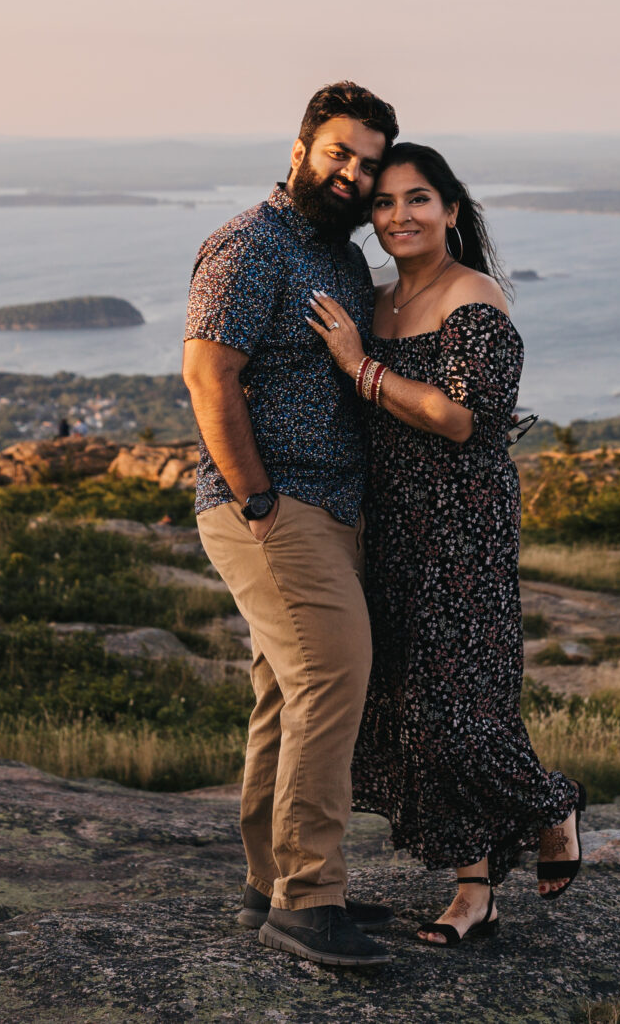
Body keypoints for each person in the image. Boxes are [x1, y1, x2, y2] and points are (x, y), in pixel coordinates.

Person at [306, 142, 585, 949]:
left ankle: (550, 801)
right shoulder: (379, 298)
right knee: (408, 710)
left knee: (460, 717)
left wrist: (358, 366)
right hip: (387, 525)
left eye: (418, 199)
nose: (399, 216)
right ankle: (474, 892)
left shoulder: (476, 296)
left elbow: (463, 417)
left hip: (463, 527)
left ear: (452, 210)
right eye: (385, 203)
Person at [182, 80, 406, 969]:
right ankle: (311, 900)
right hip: (274, 504)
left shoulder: (341, 259)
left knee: (285, 690)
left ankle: (269, 882)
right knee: (334, 676)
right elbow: (209, 378)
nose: (353, 173)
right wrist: (260, 500)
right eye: (339, 153)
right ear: (301, 147)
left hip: (330, 507)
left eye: (369, 163)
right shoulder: (250, 245)